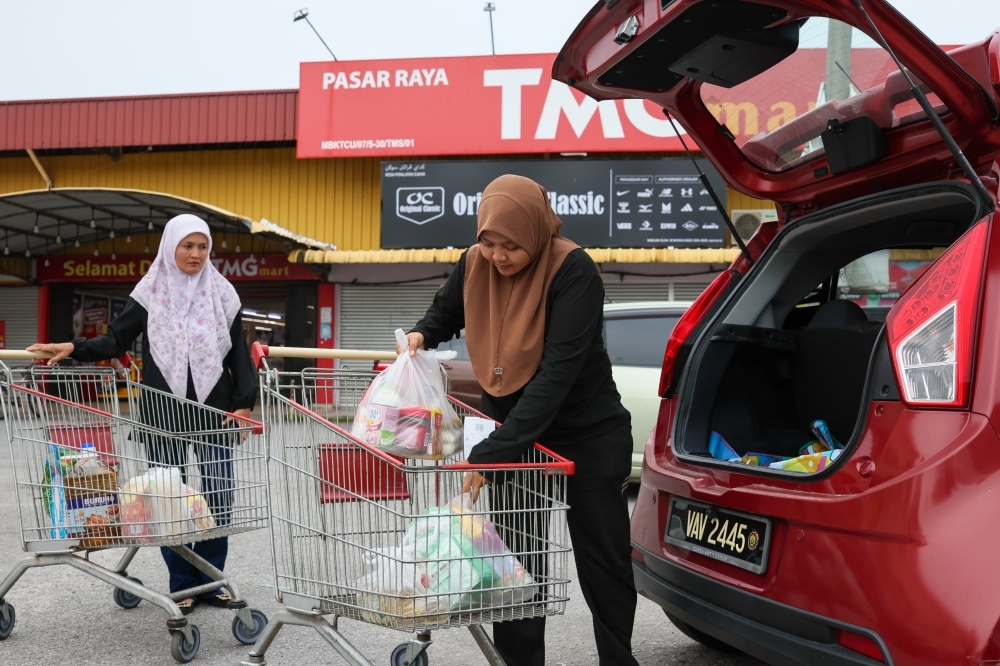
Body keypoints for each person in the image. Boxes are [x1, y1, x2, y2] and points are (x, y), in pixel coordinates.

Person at [404, 175, 640, 666]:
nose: (498, 256)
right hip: (513, 432)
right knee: (515, 566)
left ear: (535, 230)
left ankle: (619, 660)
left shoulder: (574, 271)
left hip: (587, 433)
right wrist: (422, 335)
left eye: (510, 245)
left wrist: (490, 451)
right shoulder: (475, 264)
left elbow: (556, 377)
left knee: (603, 562)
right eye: (488, 242)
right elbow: (447, 311)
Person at [29, 214, 256, 615]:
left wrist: (244, 403)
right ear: (171, 246)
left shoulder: (222, 293)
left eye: (202, 247)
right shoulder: (152, 289)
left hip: (215, 412)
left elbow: (237, 351)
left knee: (218, 495)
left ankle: (212, 578)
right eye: (187, 246)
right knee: (167, 502)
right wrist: (74, 348)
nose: (195, 254)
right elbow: (116, 337)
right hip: (161, 410)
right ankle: (183, 584)